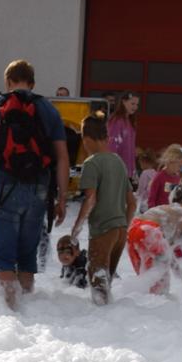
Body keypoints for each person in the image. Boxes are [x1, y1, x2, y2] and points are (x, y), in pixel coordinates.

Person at [0, 59, 71, 311]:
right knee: (27, 254)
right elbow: (63, 157)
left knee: (4, 256)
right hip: (38, 190)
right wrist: (62, 197)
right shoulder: (48, 110)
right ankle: (29, 307)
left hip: (3, 188)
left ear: (7, 82)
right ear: (32, 83)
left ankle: (12, 310)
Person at [73, 115, 135, 305]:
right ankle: (110, 322)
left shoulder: (91, 163)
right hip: (120, 231)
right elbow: (132, 202)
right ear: (107, 138)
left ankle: (102, 329)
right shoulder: (118, 162)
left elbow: (91, 199)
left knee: (98, 284)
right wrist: (123, 225)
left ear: (87, 140)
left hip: (102, 230)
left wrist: (76, 228)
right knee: (106, 282)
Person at [106, 91, 140, 177]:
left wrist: (133, 169)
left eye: (137, 104)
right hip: (117, 168)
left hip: (127, 168)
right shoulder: (116, 120)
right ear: (123, 102)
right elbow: (112, 145)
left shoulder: (130, 121)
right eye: (132, 104)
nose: (135, 107)